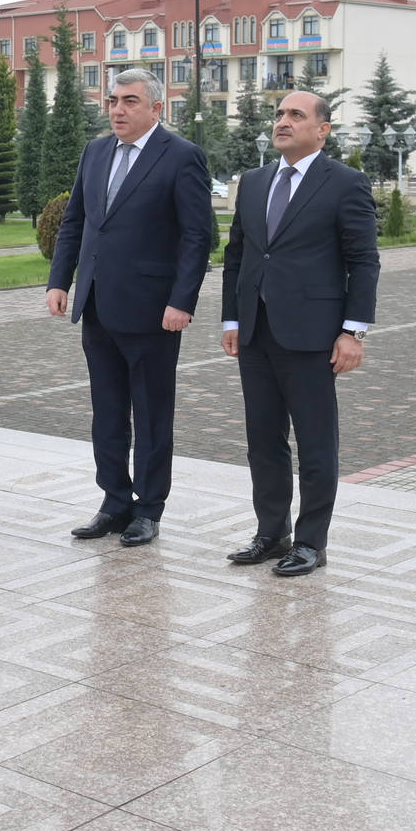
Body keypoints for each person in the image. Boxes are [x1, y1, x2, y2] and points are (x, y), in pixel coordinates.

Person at [46, 70, 215, 547]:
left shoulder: (181, 156)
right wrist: (59, 280)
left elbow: (196, 236)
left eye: (130, 101)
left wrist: (181, 300)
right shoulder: (96, 152)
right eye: (113, 100)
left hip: (153, 311)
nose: (117, 110)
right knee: (107, 411)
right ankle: (114, 501)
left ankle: (149, 508)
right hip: (98, 305)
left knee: (152, 413)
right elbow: (75, 221)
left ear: (156, 108)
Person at [219, 90, 380, 576]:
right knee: (263, 440)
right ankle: (272, 534)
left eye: (295, 114)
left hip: (312, 335)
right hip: (256, 332)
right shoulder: (254, 182)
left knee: (315, 443)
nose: (282, 121)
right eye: (279, 114)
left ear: (323, 129)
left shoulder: (345, 183)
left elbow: (363, 261)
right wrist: (232, 319)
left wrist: (353, 332)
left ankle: (311, 542)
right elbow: (237, 256)